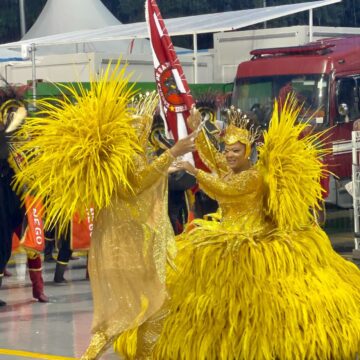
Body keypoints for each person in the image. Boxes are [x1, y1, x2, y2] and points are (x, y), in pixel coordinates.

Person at [115, 97, 360, 359]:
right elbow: (211, 156)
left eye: (236, 151)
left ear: (249, 151)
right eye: (227, 150)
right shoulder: (228, 167)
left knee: (253, 304)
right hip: (222, 235)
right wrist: (197, 131)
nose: (229, 156)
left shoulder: (254, 177)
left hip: (252, 241)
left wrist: (193, 172)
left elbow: (225, 190)